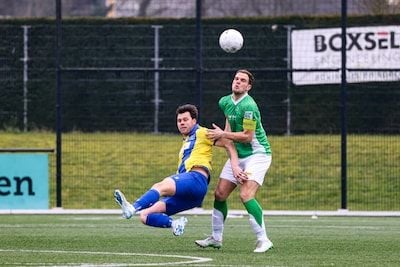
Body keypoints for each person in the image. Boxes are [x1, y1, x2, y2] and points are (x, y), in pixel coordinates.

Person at [114, 104, 246, 236]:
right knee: (145, 215)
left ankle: (132, 208)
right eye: (179, 120)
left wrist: (235, 166)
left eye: (185, 120)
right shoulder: (187, 140)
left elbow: (229, 143)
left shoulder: (202, 132)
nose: (182, 123)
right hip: (191, 195)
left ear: (194, 121)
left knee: (160, 186)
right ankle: (175, 223)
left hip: (196, 179)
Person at [195, 69, 273, 253]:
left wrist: (223, 133)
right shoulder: (225, 101)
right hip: (239, 155)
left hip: (258, 155)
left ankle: (264, 239)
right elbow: (229, 138)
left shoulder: (249, 107)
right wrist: (235, 164)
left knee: (246, 195)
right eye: (236, 78)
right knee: (220, 194)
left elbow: (247, 136)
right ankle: (216, 238)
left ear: (248, 86)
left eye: (242, 80)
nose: (237, 82)